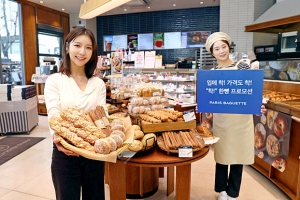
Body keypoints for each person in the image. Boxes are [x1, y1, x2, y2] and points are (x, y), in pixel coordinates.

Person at [44, 27, 107, 200]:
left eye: (88, 47)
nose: (82, 52)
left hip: (94, 151)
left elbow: (103, 117)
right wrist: (58, 139)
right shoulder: (55, 81)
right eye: (77, 45)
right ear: (67, 47)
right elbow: (54, 116)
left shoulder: (98, 84)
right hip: (65, 151)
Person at [204, 32, 265, 200]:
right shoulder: (212, 73)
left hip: (241, 119)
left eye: (224, 47)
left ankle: (232, 193)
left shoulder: (243, 66)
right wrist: (202, 104)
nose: (221, 51)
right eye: (217, 48)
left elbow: (253, 89)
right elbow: (209, 96)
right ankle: (221, 190)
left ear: (228, 47)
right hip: (222, 120)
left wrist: (258, 103)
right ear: (212, 52)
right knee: (222, 156)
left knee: (238, 156)